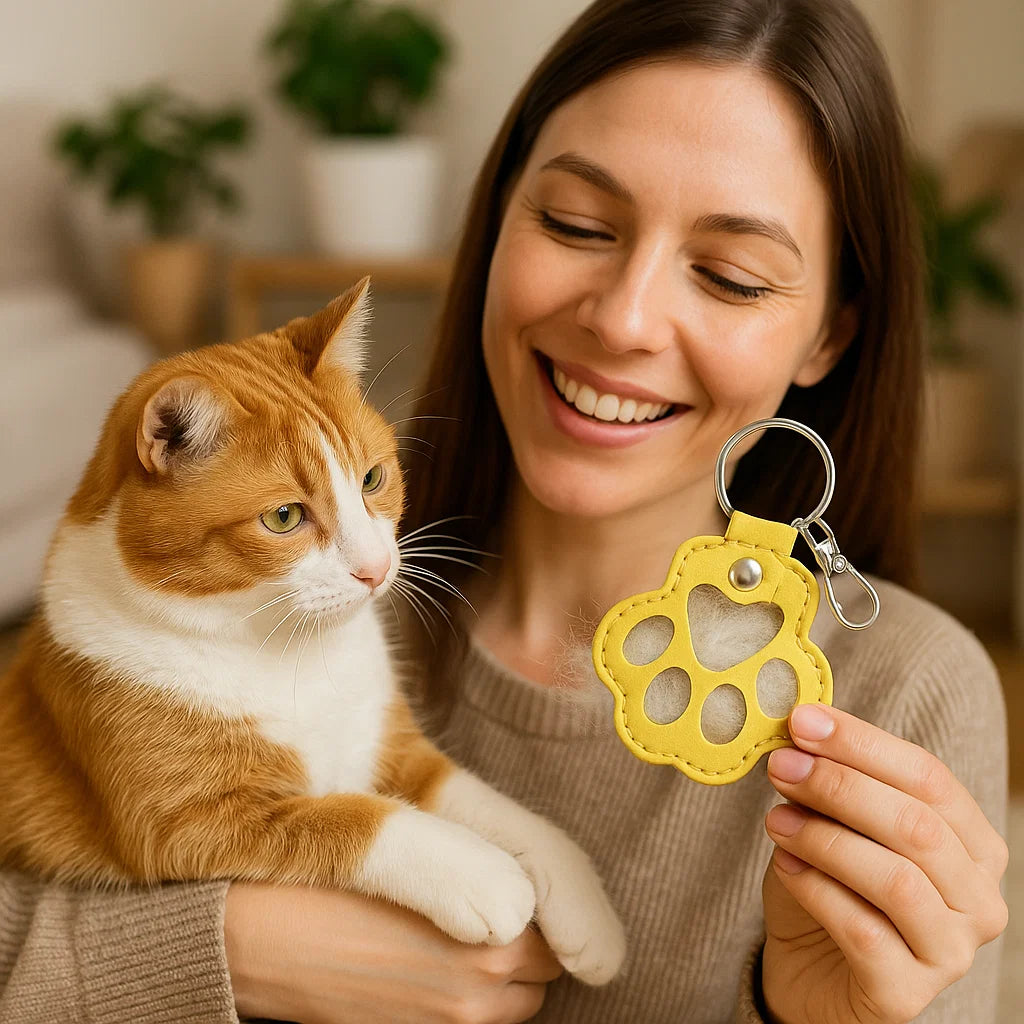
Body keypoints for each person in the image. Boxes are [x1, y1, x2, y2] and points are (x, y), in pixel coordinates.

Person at [0, 0, 1009, 1022]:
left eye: (729, 276)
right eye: (574, 224)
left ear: (824, 341)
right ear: (492, 229)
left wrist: (811, 1015)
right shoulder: (251, 604)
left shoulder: (903, 692)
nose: (621, 320)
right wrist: (227, 951)